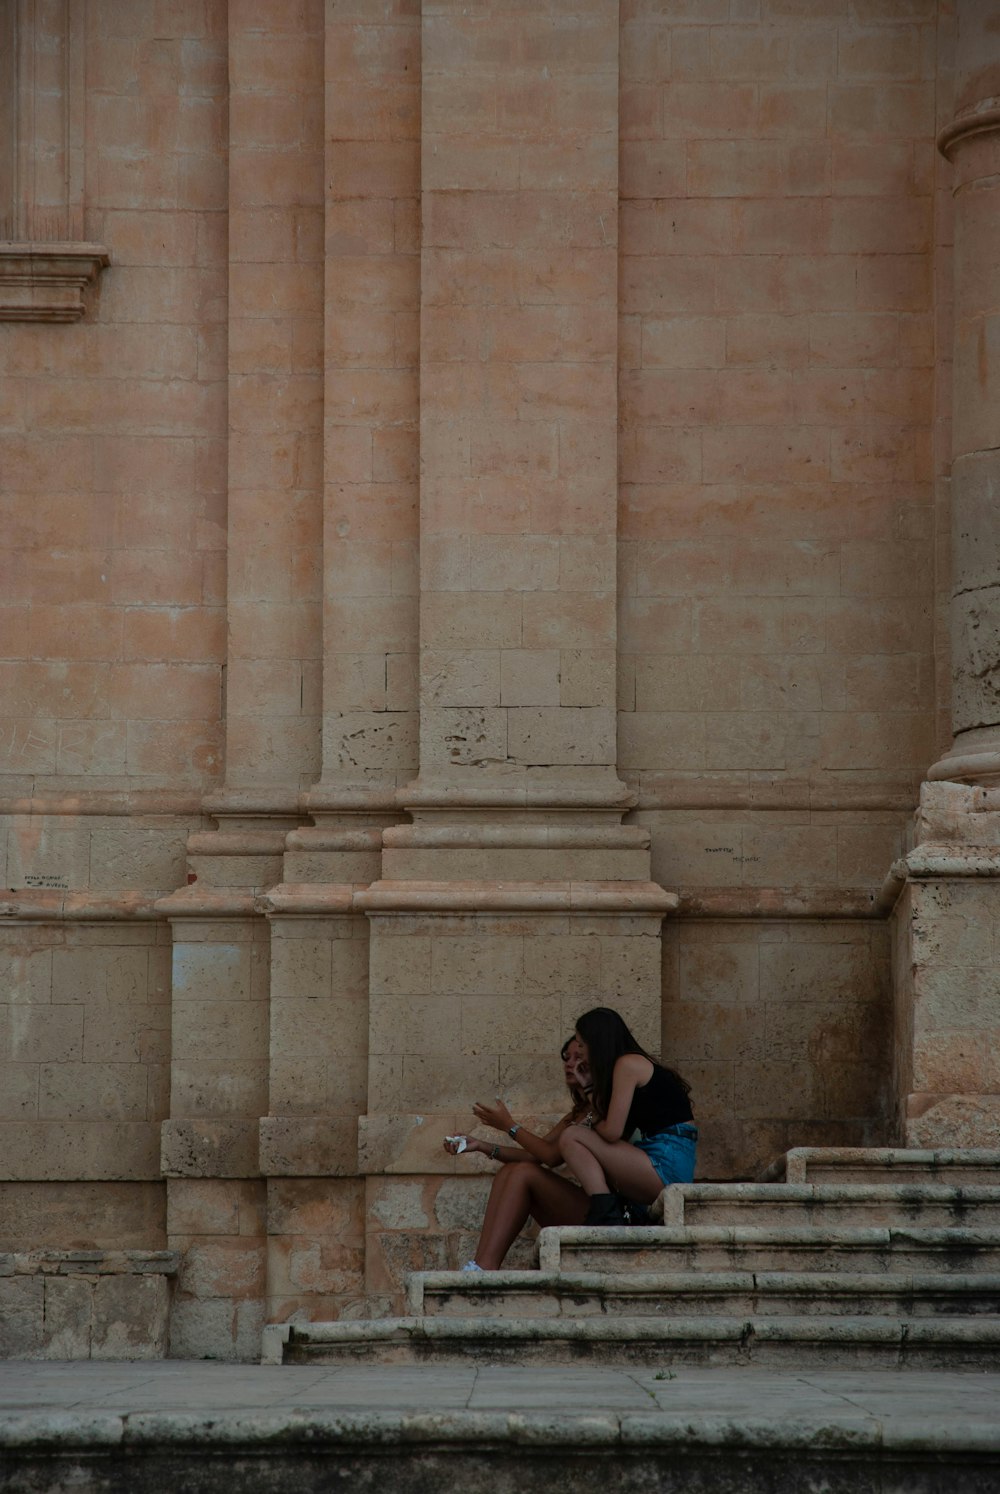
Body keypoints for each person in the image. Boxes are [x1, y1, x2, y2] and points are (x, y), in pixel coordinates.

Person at [443, 1037, 595, 1270]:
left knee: (523, 1173)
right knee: (511, 1171)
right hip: (586, 1209)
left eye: (578, 1058)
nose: (569, 1064)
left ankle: (485, 1268)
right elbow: (538, 1155)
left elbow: (551, 1157)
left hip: (608, 1212)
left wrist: (509, 1126)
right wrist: (481, 1146)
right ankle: (480, 1266)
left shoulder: (602, 1108)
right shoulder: (577, 1113)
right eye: (567, 1057)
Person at [559, 1006, 696, 1226]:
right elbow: (613, 1131)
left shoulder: (627, 1064)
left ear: (597, 1043)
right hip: (661, 1160)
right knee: (578, 1139)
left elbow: (611, 1132)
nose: (580, 1052)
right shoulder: (626, 1066)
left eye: (582, 1044)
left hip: (666, 1164)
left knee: (571, 1136)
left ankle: (605, 1213)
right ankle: (609, 1210)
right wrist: (589, 1088)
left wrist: (591, 1114)